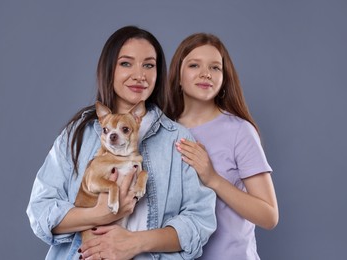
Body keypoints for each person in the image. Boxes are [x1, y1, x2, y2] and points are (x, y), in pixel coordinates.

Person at [26, 26, 216, 260]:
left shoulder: (178, 139)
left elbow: (199, 221)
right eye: (126, 63)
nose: (139, 75)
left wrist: (134, 243)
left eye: (149, 65)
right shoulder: (78, 134)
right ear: (109, 69)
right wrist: (99, 214)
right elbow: (40, 211)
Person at [166, 33, 279, 260]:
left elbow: (269, 216)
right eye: (194, 65)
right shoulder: (163, 131)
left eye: (215, 67)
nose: (205, 73)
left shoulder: (240, 131)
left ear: (224, 78)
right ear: (177, 76)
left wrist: (212, 178)